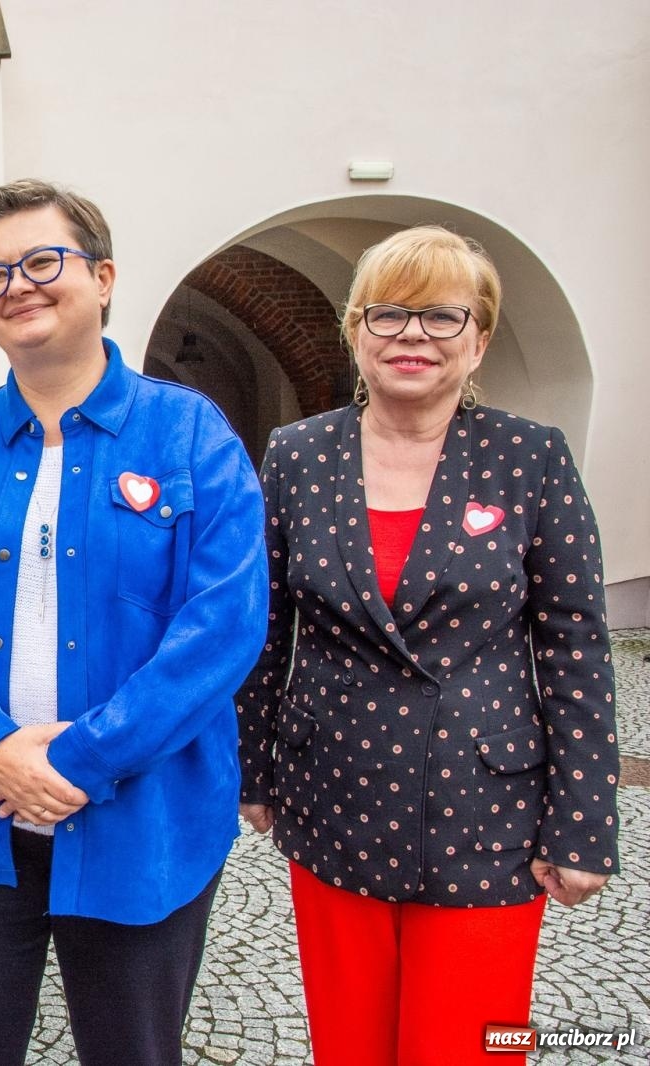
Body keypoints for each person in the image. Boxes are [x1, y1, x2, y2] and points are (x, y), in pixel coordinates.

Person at [0, 179, 269, 1066]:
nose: (18, 286)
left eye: (43, 262)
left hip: (144, 822)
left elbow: (222, 630)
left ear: (105, 277)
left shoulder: (191, 436)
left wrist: (80, 758)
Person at [236, 225, 620, 1066]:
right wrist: (252, 769)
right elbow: (262, 628)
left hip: (488, 808)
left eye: (442, 318)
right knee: (352, 1042)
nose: (413, 336)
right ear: (356, 333)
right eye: (389, 314)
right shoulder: (297, 456)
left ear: (478, 341)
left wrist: (584, 822)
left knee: (471, 1044)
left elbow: (574, 648)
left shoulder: (530, 458)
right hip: (334, 791)